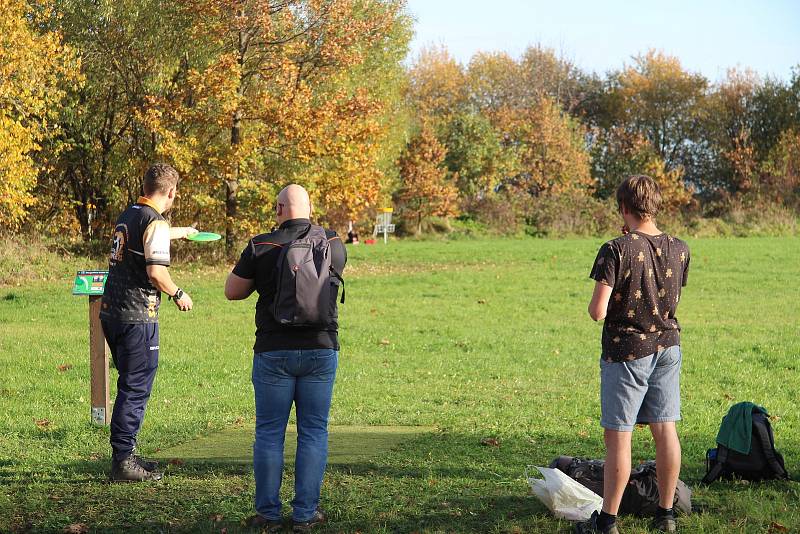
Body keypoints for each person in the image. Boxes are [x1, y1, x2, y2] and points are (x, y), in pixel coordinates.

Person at [225, 184, 346, 533]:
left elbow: (232, 291)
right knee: (313, 432)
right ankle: (306, 514)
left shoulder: (261, 245)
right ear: (310, 209)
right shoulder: (334, 243)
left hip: (273, 351)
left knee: (269, 432)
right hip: (321, 349)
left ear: (279, 209)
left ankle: (268, 515)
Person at [576, 175, 691, 534]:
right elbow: (670, 298)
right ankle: (666, 515)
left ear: (624, 208)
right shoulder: (681, 248)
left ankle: (607, 521)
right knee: (665, 430)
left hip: (626, 353)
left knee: (619, 438)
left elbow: (598, 310)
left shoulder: (615, 249)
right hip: (668, 346)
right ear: (654, 206)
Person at [100, 163, 197, 482]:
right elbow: (156, 273)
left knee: (129, 382)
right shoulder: (154, 221)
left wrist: (182, 232)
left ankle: (126, 453)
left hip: (112, 312)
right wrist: (178, 292)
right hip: (137, 316)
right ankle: (123, 461)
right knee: (136, 386)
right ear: (171, 192)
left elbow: (151, 233)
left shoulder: (129, 214)